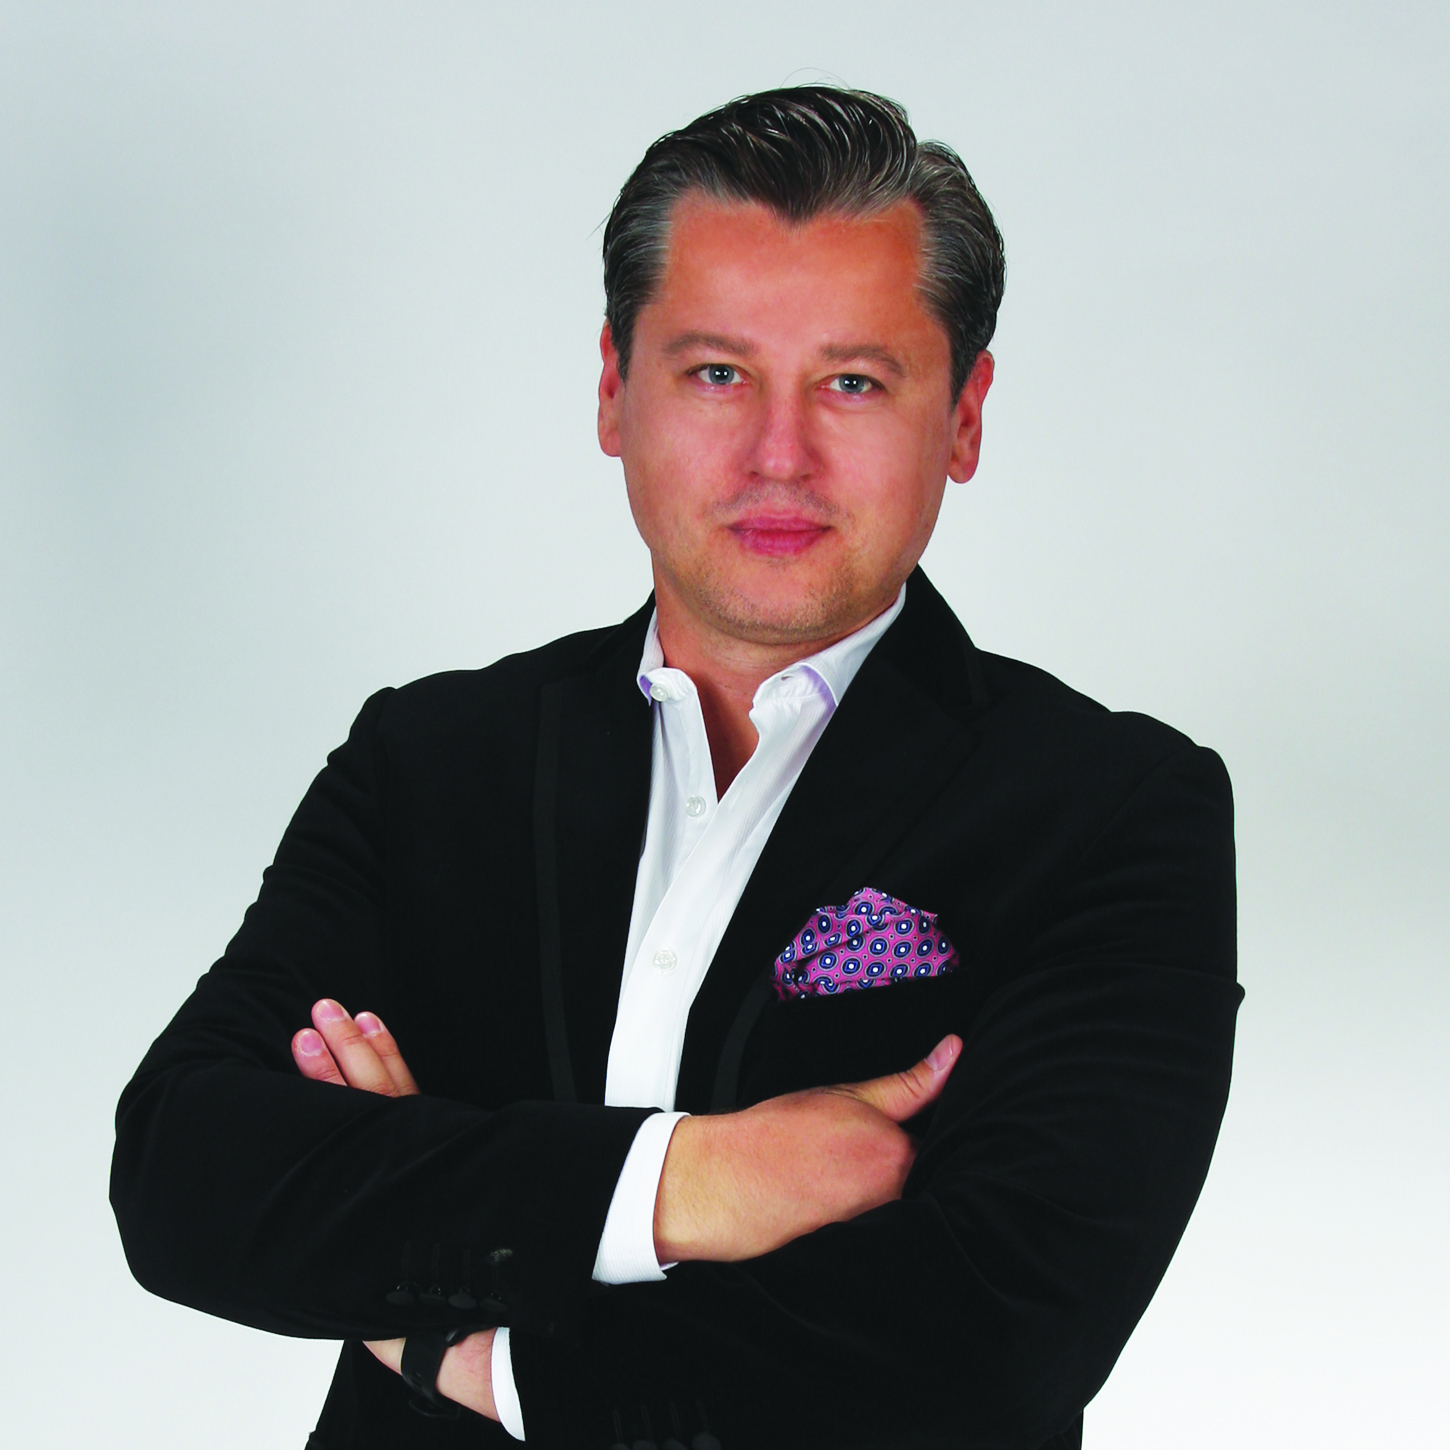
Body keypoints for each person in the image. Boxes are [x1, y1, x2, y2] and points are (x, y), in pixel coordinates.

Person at [110, 86, 1241, 1450]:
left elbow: (988, 1339)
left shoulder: (1114, 810)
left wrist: (451, 1333)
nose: (779, 455)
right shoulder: (429, 760)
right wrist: (683, 1180)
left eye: (852, 382)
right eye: (715, 373)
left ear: (962, 415)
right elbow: (185, 1175)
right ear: (613, 389)